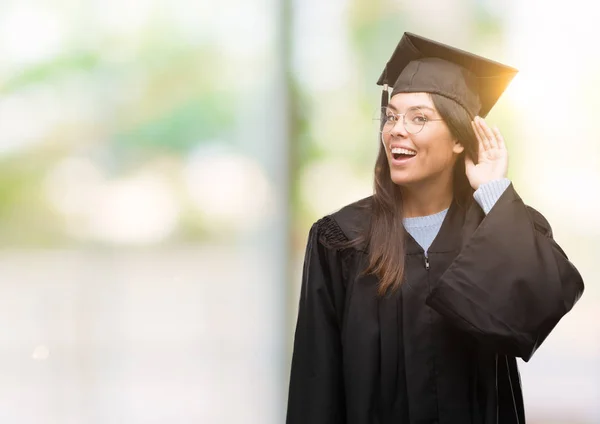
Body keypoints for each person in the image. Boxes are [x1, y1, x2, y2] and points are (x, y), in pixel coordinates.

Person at [286, 32, 584, 424]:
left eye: (419, 118)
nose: (396, 129)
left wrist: (493, 191)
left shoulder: (498, 227)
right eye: (391, 116)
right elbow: (316, 383)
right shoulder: (342, 239)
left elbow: (537, 310)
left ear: (462, 138)